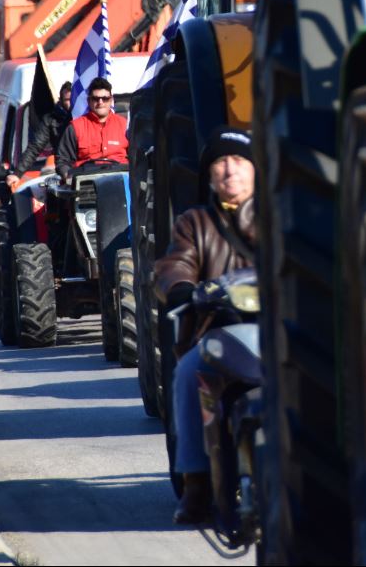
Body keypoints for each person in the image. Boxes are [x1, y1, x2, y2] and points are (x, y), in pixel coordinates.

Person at [154, 127, 256, 525]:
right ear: (209, 176)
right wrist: (179, 288)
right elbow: (174, 264)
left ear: (255, 170)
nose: (230, 170)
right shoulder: (194, 222)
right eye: (220, 162)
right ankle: (195, 484)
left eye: (239, 161)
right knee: (187, 374)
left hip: (276, 331)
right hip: (217, 331)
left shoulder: (279, 217)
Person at [53, 77, 127, 183]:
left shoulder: (125, 125)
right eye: (96, 99)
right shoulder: (75, 127)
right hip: (86, 185)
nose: (100, 102)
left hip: (121, 182)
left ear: (111, 100)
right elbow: (63, 161)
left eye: (105, 98)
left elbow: (137, 159)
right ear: (89, 101)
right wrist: (68, 177)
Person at [7, 82, 73, 188]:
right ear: (60, 100)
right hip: (62, 171)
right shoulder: (51, 120)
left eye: (73, 99)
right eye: (67, 100)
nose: (71, 103)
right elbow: (35, 147)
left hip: (85, 170)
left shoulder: (86, 118)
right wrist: (17, 173)